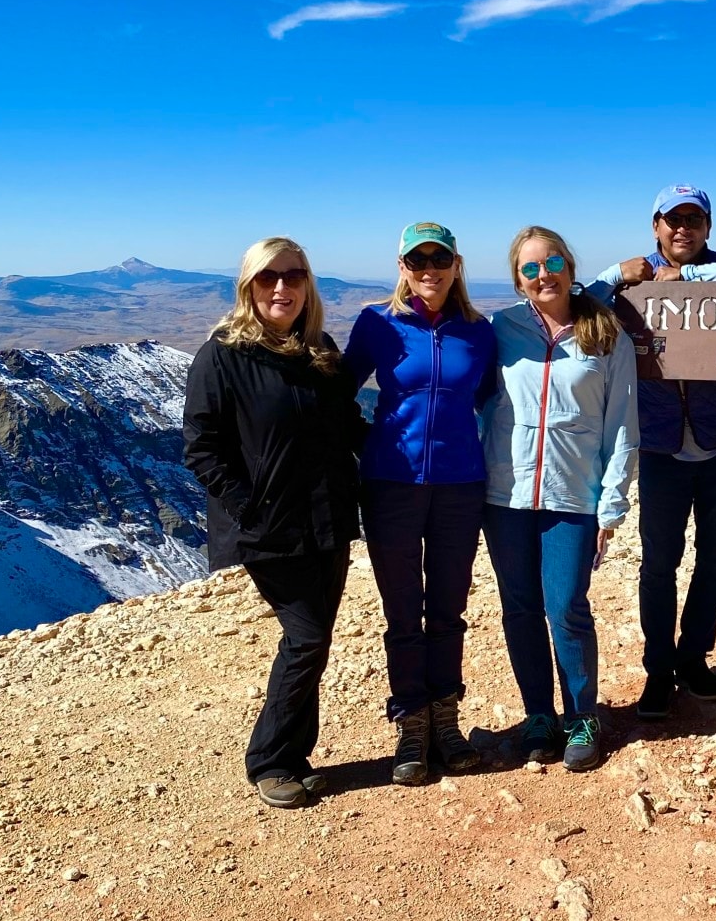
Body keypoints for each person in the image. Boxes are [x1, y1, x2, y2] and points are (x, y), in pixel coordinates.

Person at [183, 236, 365, 810]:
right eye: (268, 278)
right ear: (249, 287)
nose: (281, 287)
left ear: (308, 284)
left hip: (329, 519)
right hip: (271, 529)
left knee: (312, 642)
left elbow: (349, 426)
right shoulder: (223, 355)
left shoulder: (320, 351)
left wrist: (415, 444)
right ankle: (269, 760)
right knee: (307, 638)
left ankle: (295, 754)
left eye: (293, 275)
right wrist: (250, 506)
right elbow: (202, 448)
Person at [586, 184, 716, 720]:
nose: (683, 229)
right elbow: (579, 304)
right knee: (659, 564)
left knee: (714, 560)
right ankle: (658, 669)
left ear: (708, 227)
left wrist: (685, 277)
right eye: (673, 220)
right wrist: (619, 274)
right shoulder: (631, 275)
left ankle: (694, 658)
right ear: (655, 226)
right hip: (661, 446)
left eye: (694, 220)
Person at [343, 222, 499, 786]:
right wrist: (371, 441)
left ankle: (446, 721)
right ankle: (411, 725)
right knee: (404, 613)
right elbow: (339, 390)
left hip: (460, 486)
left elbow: (487, 400)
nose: (428, 268)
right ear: (402, 265)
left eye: (439, 258)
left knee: (449, 608)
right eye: (417, 259)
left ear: (457, 263)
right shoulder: (377, 323)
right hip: (392, 485)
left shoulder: (478, 332)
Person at [480, 228, 639, 771]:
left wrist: (611, 505)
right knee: (520, 610)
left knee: (566, 606)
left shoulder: (605, 335)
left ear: (569, 266)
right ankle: (538, 716)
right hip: (505, 495)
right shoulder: (502, 328)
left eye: (551, 263)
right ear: (518, 279)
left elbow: (622, 427)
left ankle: (581, 717)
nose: (542, 275)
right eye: (529, 268)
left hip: (574, 497)